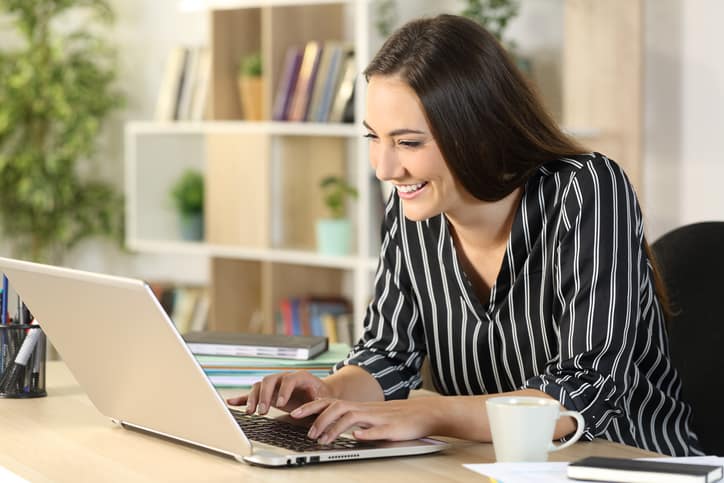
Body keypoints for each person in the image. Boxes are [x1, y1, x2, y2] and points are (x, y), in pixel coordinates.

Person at [228, 14, 701, 456]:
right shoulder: (414, 206)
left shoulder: (587, 190)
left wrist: (430, 411)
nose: (385, 169)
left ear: (478, 132)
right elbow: (387, 354)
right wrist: (330, 393)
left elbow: (582, 392)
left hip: (624, 462)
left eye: (409, 142)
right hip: (486, 464)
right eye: (374, 137)